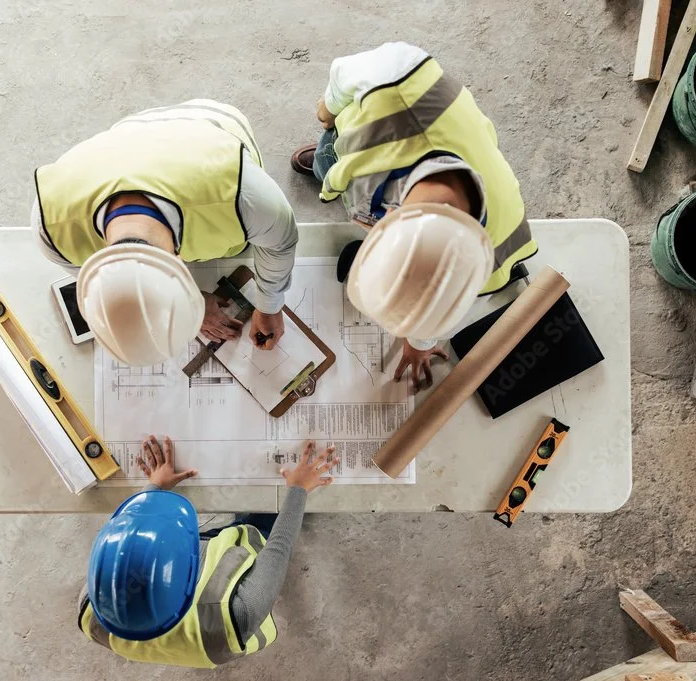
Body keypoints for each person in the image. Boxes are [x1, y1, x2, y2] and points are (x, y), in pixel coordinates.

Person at [291, 42, 539, 393]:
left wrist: (418, 341)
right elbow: (342, 77)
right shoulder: (394, 77)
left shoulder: (488, 256)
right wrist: (329, 112)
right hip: (367, 132)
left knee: (336, 173)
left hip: (367, 176)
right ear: (386, 222)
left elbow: (442, 298)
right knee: (327, 161)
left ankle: (330, 169)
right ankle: (326, 160)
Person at [32, 99, 299, 366]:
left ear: (181, 257)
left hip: (211, 124)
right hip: (121, 142)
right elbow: (112, 290)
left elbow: (279, 244)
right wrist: (196, 304)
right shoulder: (51, 228)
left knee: (240, 245)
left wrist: (269, 305)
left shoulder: (247, 197)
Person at [77, 435, 339, 668]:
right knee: (262, 521)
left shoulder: (91, 607)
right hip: (216, 640)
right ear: (192, 570)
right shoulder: (238, 614)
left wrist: (154, 488)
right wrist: (298, 490)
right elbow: (279, 550)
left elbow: (130, 540)